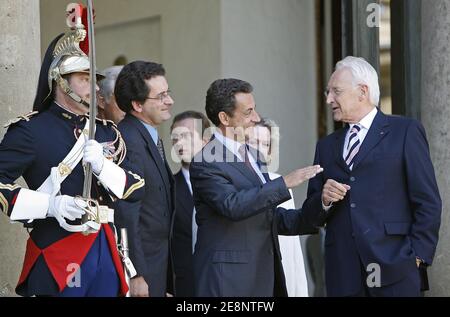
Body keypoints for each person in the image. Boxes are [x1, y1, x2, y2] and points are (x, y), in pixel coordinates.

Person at [0, 11, 144, 297]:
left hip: (105, 246)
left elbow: (136, 187)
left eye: (93, 79)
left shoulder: (106, 131)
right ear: (61, 82)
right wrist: (52, 206)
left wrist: (104, 167)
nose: (93, 87)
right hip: (58, 249)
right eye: (83, 78)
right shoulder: (31, 130)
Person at [302, 56, 442, 297]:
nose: (328, 99)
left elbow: (427, 201)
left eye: (336, 91)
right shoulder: (325, 147)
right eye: (328, 92)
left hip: (396, 271)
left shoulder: (405, 132)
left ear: (362, 92)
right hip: (343, 276)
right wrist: (323, 201)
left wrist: (417, 257)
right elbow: (309, 216)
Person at [189, 78, 323, 297]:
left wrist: (321, 207)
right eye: (248, 112)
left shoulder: (254, 156)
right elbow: (232, 205)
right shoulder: (205, 160)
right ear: (224, 118)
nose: (256, 118)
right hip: (228, 281)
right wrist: (284, 183)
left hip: (263, 276)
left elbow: (267, 216)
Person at [114, 61, 175, 297]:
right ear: (137, 104)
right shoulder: (128, 139)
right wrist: (135, 273)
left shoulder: (147, 134)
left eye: (168, 93)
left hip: (158, 264)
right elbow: (126, 211)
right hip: (144, 270)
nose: (169, 101)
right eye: (160, 96)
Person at [247, 118, 309, 297]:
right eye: (252, 142)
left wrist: (299, 291)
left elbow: (293, 249)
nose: (258, 148)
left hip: (279, 277)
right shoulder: (231, 183)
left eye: (264, 143)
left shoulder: (280, 182)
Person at [169, 110, 211, 297]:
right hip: (183, 289)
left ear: (206, 139)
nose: (179, 143)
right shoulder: (168, 188)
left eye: (186, 136)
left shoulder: (228, 185)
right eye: (175, 139)